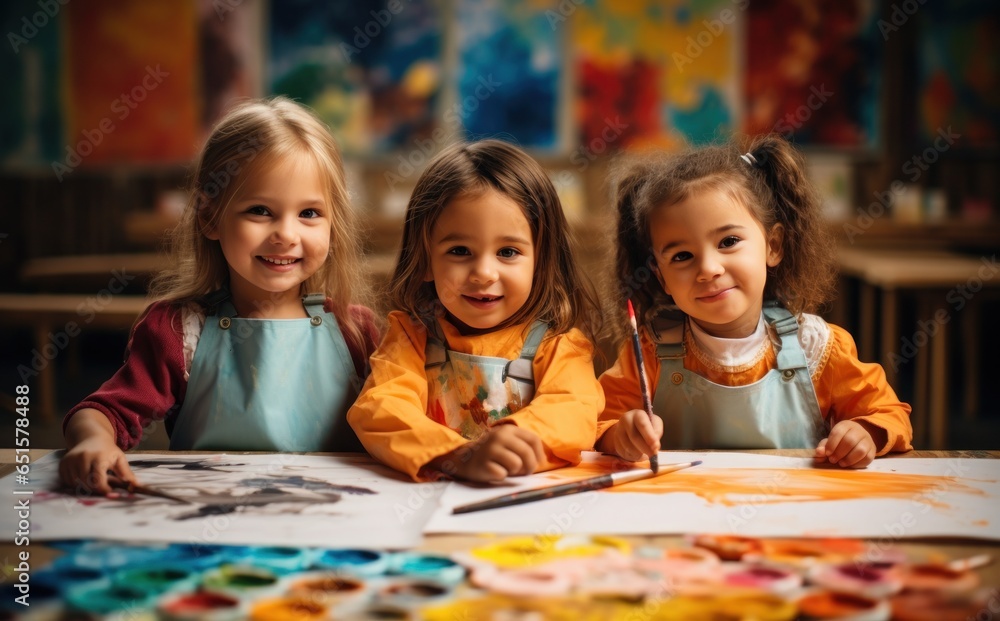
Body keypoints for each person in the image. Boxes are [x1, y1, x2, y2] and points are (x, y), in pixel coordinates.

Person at [60, 97, 380, 493]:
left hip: (334, 526)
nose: (286, 234)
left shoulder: (357, 331)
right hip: (209, 523)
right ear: (210, 218)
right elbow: (102, 411)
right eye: (260, 210)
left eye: (310, 213)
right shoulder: (179, 331)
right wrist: (94, 440)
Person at [597, 134, 912, 469]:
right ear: (662, 278)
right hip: (688, 513)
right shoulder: (646, 353)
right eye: (682, 256)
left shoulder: (816, 347)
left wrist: (864, 432)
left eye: (728, 241)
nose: (708, 269)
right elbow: (598, 422)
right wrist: (621, 435)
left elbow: (889, 415)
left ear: (772, 246)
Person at [348, 139, 604, 482]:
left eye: (508, 252)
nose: (484, 273)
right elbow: (380, 409)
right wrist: (456, 455)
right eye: (459, 251)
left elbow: (575, 410)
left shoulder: (559, 344)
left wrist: (511, 437)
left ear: (541, 264)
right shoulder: (411, 336)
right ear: (425, 261)